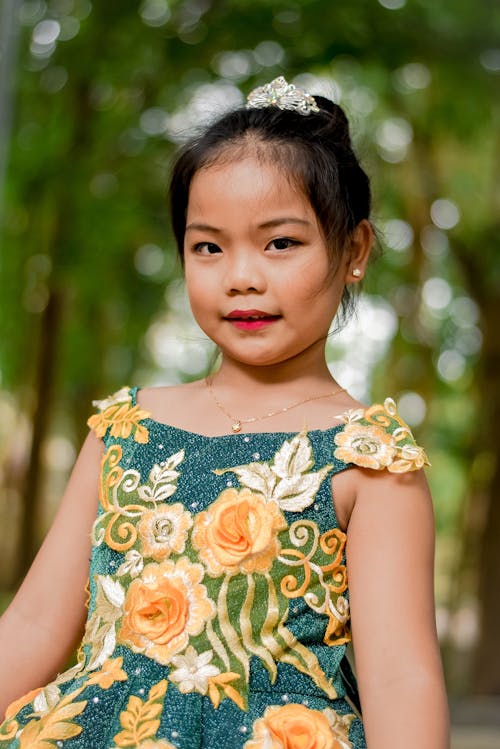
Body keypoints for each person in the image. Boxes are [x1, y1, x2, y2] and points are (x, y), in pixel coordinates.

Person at [0, 76, 449, 749]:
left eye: (280, 243)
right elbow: (35, 622)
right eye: (208, 246)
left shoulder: (369, 457)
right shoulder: (125, 428)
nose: (241, 275)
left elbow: (400, 679)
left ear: (353, 251)